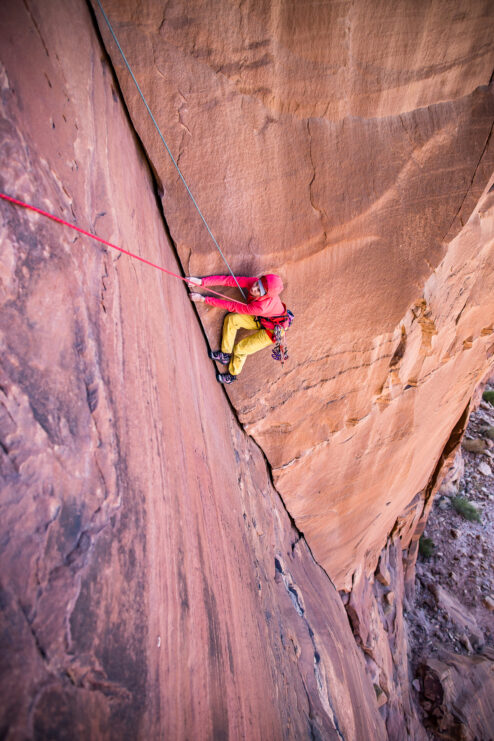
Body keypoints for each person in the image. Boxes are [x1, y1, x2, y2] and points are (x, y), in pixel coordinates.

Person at [187, 274, 287, 383]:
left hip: (272, 330)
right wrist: (201, 282)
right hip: (263, 319)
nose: (254, 288)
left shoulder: (260, 307)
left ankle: (232, 375)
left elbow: (232, 306)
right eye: (257, 284)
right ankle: (224, 355)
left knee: (241, 349)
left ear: (265, 295)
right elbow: (228, 280)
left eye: (258, 290)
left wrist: (204, 299)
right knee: (232, 319)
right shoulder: (256, 283)